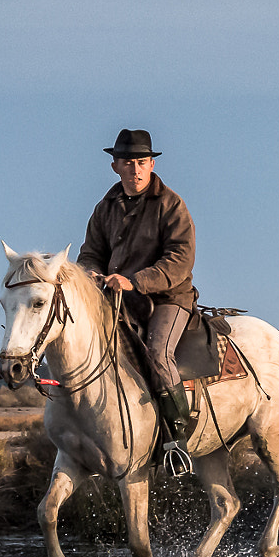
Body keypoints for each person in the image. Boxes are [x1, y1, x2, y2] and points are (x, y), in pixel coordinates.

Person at [79, 129, 199, 470]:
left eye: (142, 162)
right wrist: (89, 273)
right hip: (118, 296)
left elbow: (180, 259)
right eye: (129, 163)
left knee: (158, 352)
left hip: (169, 297)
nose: (136, 169)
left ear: (152, 163)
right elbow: (90, 253)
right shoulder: (105, 208)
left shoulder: (171, 205)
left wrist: (134, 281)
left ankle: (177, 441)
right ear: (115, 166)